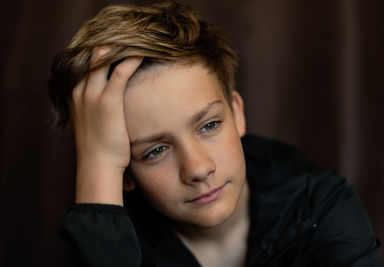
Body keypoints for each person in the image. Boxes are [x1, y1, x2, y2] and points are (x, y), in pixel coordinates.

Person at [48, 2, 383, 266]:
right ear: (122, 171)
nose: (197, 168)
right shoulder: (114, 240)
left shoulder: (319, 206)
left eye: (208, 126)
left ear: (236, 112)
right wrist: (99, 164)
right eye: (155, 151)